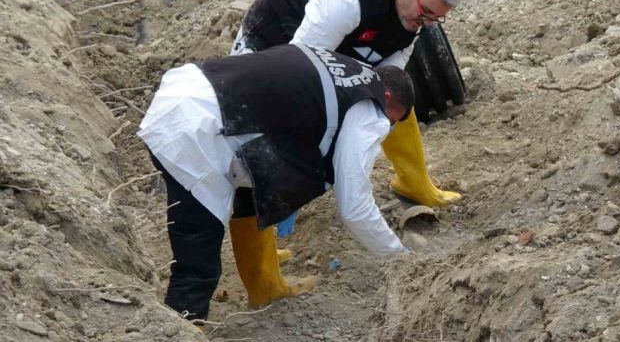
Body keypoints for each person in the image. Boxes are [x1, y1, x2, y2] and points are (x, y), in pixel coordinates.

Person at [137, 44, 414, 320]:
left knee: (249, 201)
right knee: (198, 257)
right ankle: (182, 327)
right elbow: (355, 207)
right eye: (392, 120)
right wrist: (400, 257)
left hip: (190, 90)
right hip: (196, 132)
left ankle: (265, 288)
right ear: (386, 96)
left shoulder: (347, 68)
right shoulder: (369, 108)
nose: (387, 128)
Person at [231, 0, 463, 214]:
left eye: (436, 19)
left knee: (392, 96)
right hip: (271, 40)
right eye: (427, 13)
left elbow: (389, 77)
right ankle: (261, 248)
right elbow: (298, 72)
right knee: (258, 139)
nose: (428, 23)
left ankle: (414, 183)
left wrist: (376, 101)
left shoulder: (414, 11)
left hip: (339, 39)